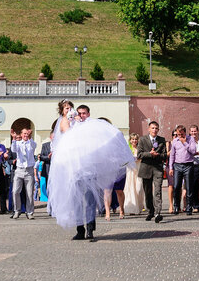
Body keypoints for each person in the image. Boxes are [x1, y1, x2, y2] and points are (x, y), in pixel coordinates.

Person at [47, 101, 134, 242]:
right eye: (66, 108)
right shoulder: (64, 122)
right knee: (76, 201)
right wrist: (75, 124)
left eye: (71, 108)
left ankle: (90, 227)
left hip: (88, 168)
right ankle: (80, 229)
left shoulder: (84, 124)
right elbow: (68, 134)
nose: (70, 110)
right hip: (73, 169)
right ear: (62, 111)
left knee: (89, 199)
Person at [136, 121, 167, 223]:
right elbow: (139, 154)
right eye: (153, 128)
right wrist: (150, 154)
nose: (154, 130)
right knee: (148, 192)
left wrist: (157, 155)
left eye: (156, 128)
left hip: (157, 169)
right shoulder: (142, 139)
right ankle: (150, 211)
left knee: (157, 191)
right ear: (149, 129)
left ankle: (158, 212)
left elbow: (164, 155)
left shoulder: (161, 140)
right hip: (146, 168)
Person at [169, 125, 197, 215]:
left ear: (185, 133)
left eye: (181, 134)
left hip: (188, 165)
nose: (179, 136)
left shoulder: (191, 139)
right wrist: (171, 167)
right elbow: (172, 155)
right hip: (177, 165)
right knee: (176, 186)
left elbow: (193, 151)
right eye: (178, 134)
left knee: (189, 187)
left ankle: (189, 207)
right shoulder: (175, 141)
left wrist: (185, 143)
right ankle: (176, 206)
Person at [10, 127, 37, 219]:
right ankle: (17, 210)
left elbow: (33, 146)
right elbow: (13, 149)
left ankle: (29, 212)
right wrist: (13, 138)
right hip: (19, 170)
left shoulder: (31, 143)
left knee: (29, 193)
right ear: (21, 135)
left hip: (29, 170)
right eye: (24, 134)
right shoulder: (17, 143)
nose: (25, 135)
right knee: (15, 191)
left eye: (27, 134)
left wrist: (30, 137)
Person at [123, 133, 143, 216]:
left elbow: (143, 156)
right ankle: (132, 208)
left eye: (135, 139)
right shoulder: (127, 149)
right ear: (130, 140)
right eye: (133, 139)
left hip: (139, 169)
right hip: (131, 170)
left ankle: (139, 207)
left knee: (139, 189)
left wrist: (139, 158)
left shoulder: (140, 148)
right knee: (131, 189)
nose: (134, 141)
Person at [188, 125, 199, 213]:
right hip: (193, 165)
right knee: (194, 186)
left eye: (195, 131)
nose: (193, 133)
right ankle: (196, 206)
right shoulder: (188, 141)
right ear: (190, 132)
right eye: (192, 131)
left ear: (198, 131)